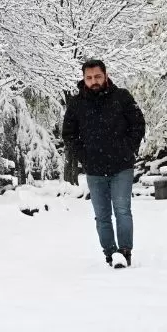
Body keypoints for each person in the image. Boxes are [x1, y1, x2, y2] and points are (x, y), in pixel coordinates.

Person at [61, 59, 146, 268]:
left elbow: (138, 124)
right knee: (102, 216)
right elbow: (69, 135)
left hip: (122, 166)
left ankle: (125, 252)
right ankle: (110, 254)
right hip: (94, 168)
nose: (94, 81)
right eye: (89, 78)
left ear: (106, 75)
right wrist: (84, 156)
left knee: (122, 210)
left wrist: (128, 148)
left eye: (97, 76)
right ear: (84, 79)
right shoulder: (76, 103)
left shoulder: (122, 97)